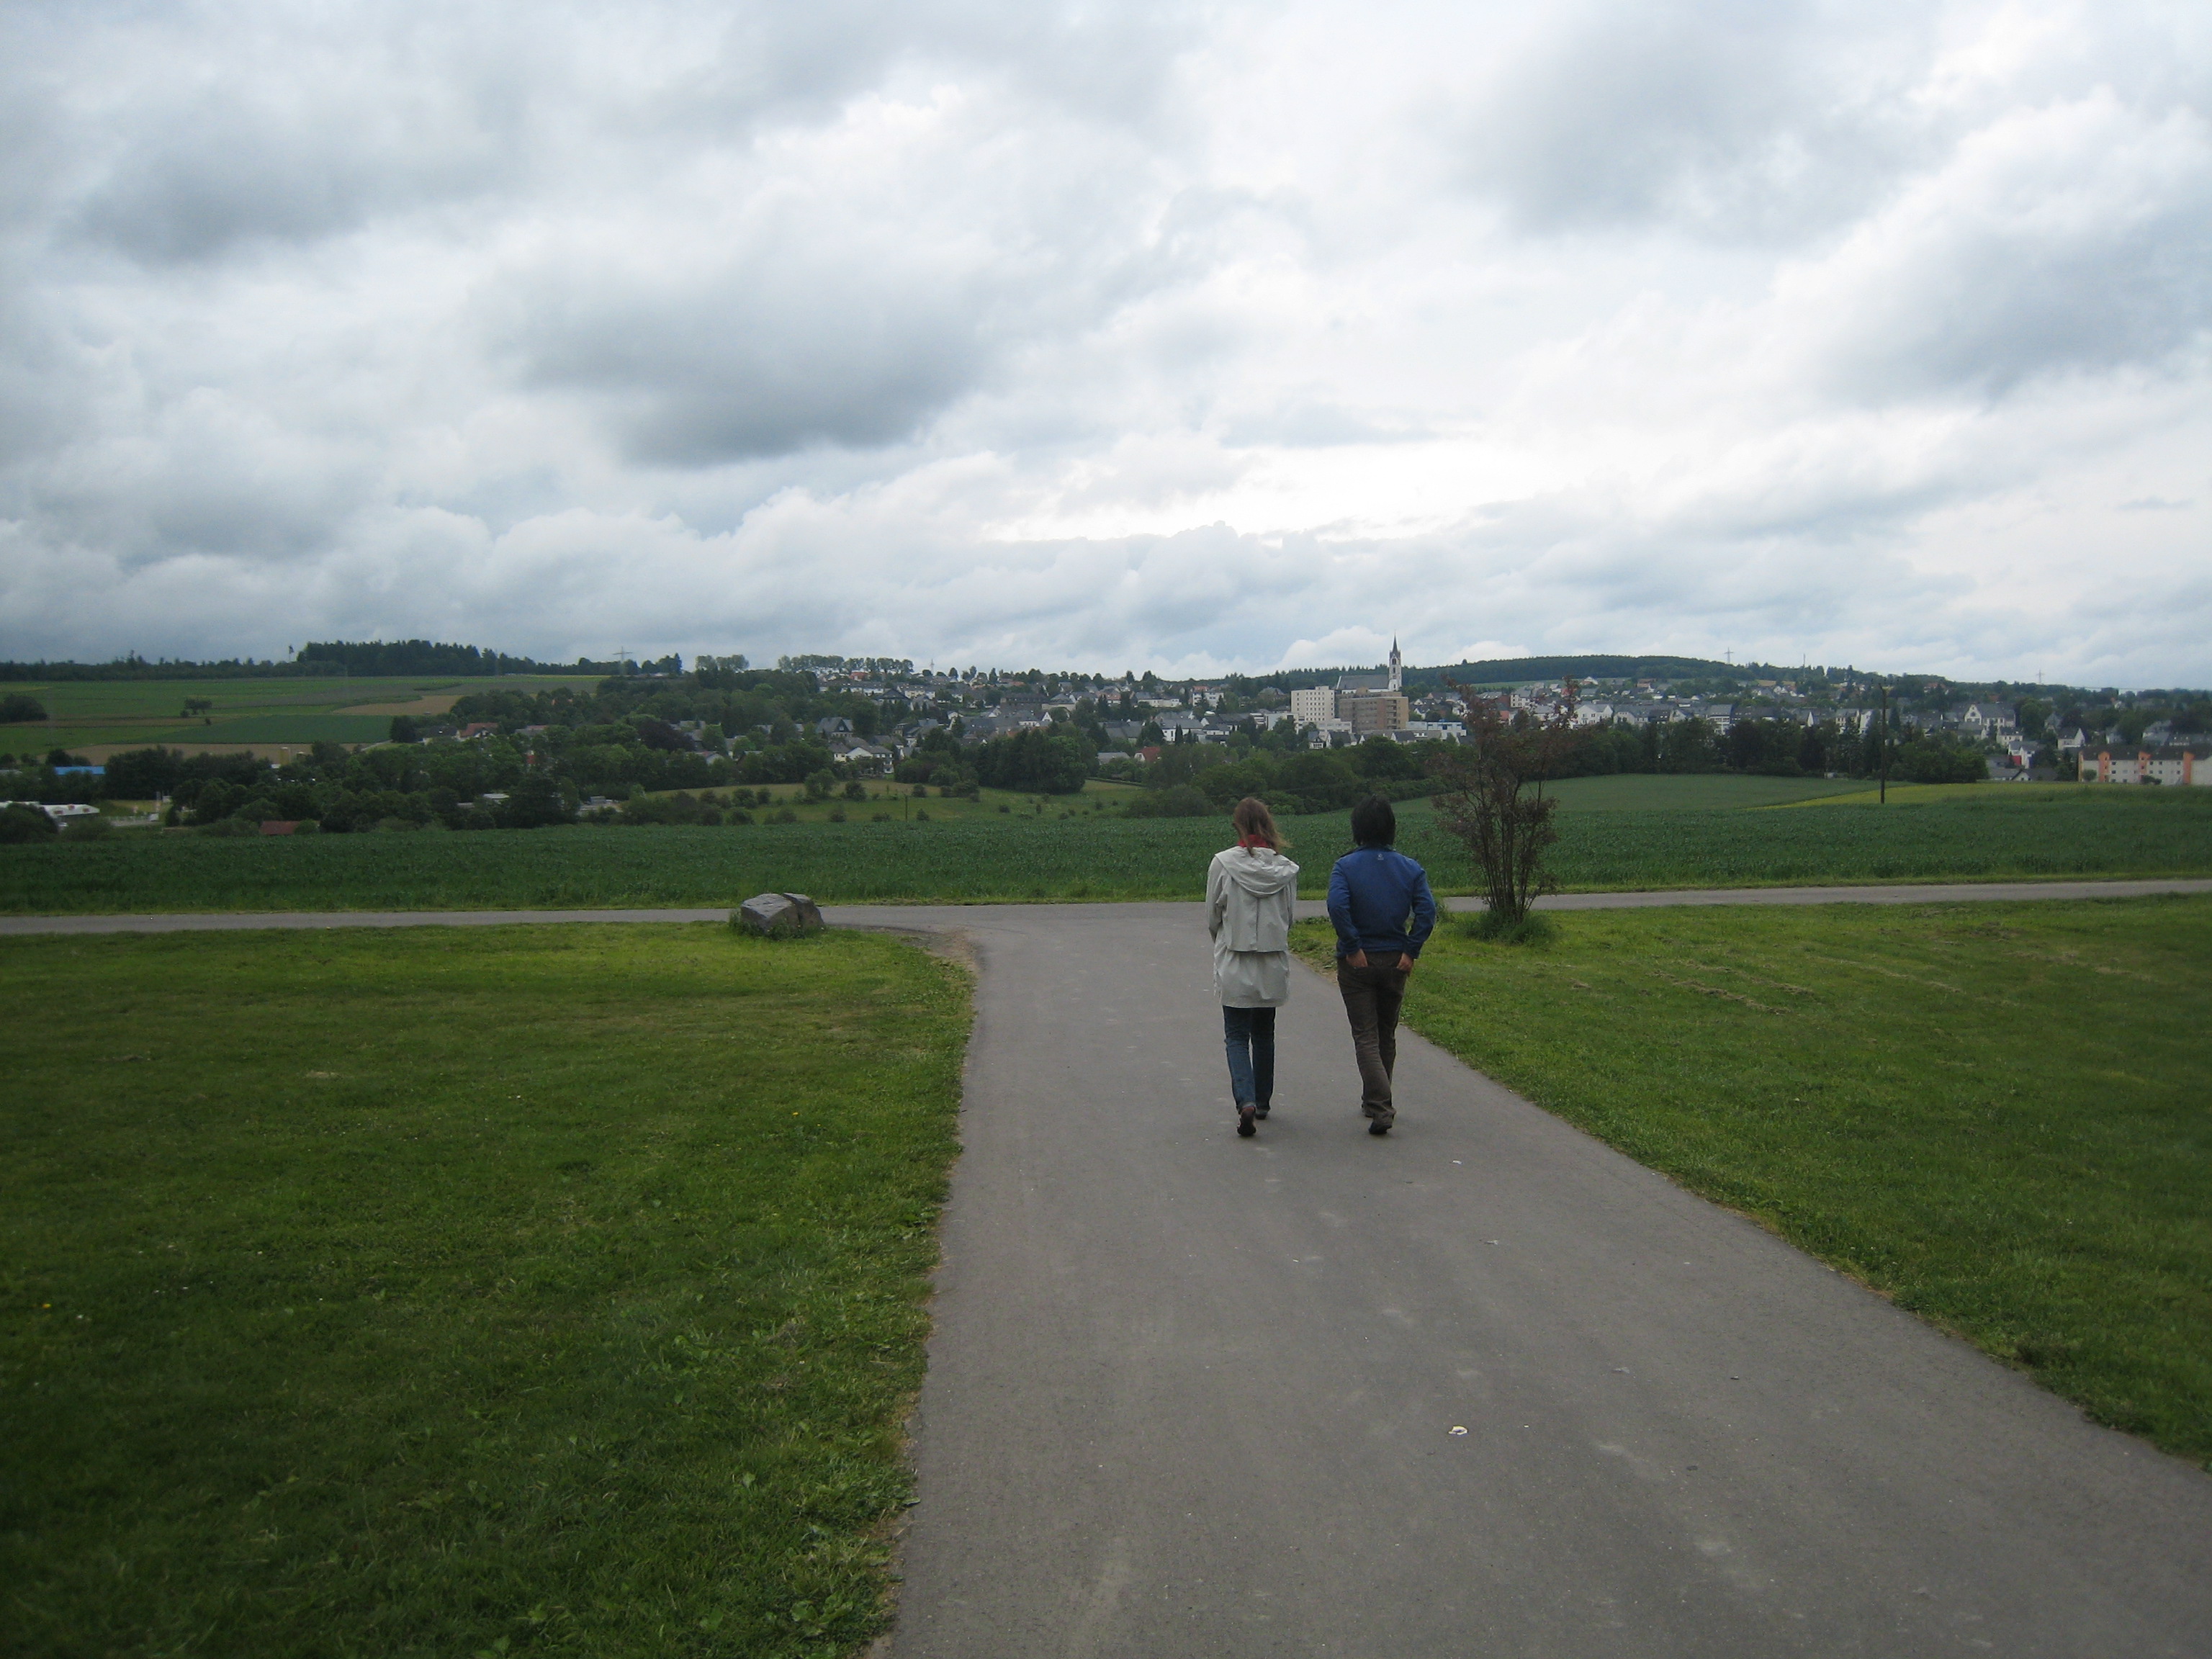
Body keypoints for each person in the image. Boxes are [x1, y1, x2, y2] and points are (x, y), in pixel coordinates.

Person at [1326, 795, 1437, 1136]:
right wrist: (1411, 950)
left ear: (1357, 829)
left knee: (1365, 1035)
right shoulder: (1410, 867)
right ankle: (1377, 1098)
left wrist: (1352, 945)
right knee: (1386, 1032)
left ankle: (1379, 1104)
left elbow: (1338, 906)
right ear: (1391, 828)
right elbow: (1427, 912)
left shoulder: (1345, 867)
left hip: (1359, 961)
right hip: (1395, 959)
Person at [1207, 797, 1300, 1138]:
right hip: (1272, 960)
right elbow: (1289, 917)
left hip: (1235, 957)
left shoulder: (1223, 864)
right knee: (1264, 1033)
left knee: (1236, 1035)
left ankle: (1244, 1100)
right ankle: (1261, 1101)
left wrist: (1225, 939)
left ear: (1238, 826)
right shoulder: (1286, 868)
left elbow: (1212, 916)